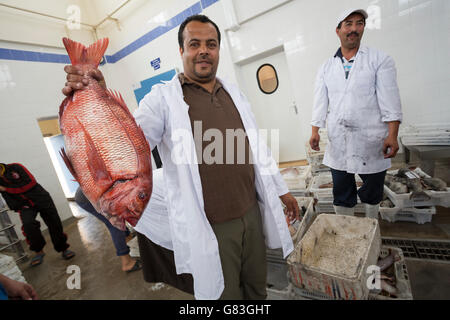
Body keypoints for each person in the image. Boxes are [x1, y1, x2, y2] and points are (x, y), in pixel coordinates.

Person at [62, 14, 299, 300]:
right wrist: (94, 93)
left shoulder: (235, 94)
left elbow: (256, 148)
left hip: (251, 212)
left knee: (256, 288)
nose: (203, 50)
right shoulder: (162, 100)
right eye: (194, 44)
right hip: (213, 226)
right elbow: (125, 144)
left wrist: (281, 191)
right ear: (181, 51)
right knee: (226, 296)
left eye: (211, 44)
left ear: (218, 51)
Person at [309, 9, 403, 218]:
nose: (353, 29)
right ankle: (346, 231)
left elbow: (390, 100)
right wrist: (315, 130)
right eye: (348, 24)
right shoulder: (326, 67)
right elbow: (320, 101)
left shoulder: (379, 59)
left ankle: (371, 226)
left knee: (372, 191)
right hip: (338, 141)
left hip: (371, 140)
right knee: (342, 192)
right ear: (338, 30)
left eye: (359, 23)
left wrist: (392, 135)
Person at [0, 163, 75, 266]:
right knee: (28, 225)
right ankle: (39, 251)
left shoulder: (15, 167)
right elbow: (7, 197)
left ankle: (63, 249)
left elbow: (30, 183)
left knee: (54, 223)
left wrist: (7, 189)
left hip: (42, 198)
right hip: (24, 205)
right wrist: (16, 206)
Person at [74, 187, 142, 273]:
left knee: (118, 216)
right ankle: (127, 263)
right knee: (115, 224)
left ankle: (127, 238)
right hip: (89, 198)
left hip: (92, 193)